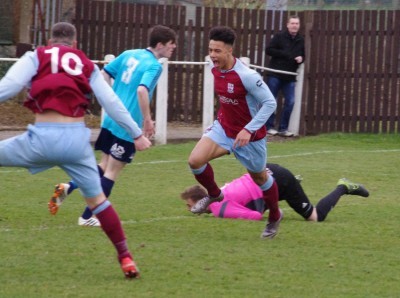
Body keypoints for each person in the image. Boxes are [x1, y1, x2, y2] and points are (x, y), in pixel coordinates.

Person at [0, 22, 152, 278]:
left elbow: (9, 86)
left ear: (50, 41)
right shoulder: (87, 64)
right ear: (75, 43)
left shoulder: (36, 56)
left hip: (41, 137)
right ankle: (126, 257)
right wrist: (136, 134)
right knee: (98, 202)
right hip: (75, 143)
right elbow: (111, 102)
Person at [48, 25, 177, 226]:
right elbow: (142, 91)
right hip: (128, 124)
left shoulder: (129, 54)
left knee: (104, 165)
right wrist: (147, 120)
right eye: (171, 44)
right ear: (160, 44)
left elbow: (103, 73)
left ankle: (68, 187)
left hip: (111, 118)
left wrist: (110, 97)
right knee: (112, 172)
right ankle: (88, 217)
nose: (173, 47)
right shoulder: (154, 66)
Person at [188, 26, 282, 239]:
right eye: (210, 50)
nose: (212, 55)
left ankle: (274, 216)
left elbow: (270, 103)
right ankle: (214, 195)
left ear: (229, 51)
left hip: (250, 137)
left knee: (259, 177)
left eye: (217, 51)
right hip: (224, 128)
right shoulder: (215, 69)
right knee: (195, 160)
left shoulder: (247, 76)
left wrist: (248, 129)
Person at [181, 163, 369, 223]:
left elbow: (255, 216)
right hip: (265, 173)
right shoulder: (217, 191)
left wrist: (274, 211)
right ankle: (287, 186)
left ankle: (343, 187)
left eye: (190, 206)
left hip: (276, 180)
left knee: (315, 216)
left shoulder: (219, 210)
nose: (191, 210)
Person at [264, 15, 305, 137]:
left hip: (290, 76)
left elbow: (303, 55)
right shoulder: (279, 37)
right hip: (275, 74)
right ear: (287, 25)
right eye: (292, 23)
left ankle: (283, 128)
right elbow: (269, 50)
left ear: (299, 26)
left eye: (296, 24)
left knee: (291, 102)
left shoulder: (300, 40)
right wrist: (286, 54)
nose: (294, 26)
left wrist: (301, 58)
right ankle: (269, 127)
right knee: (271, 101)